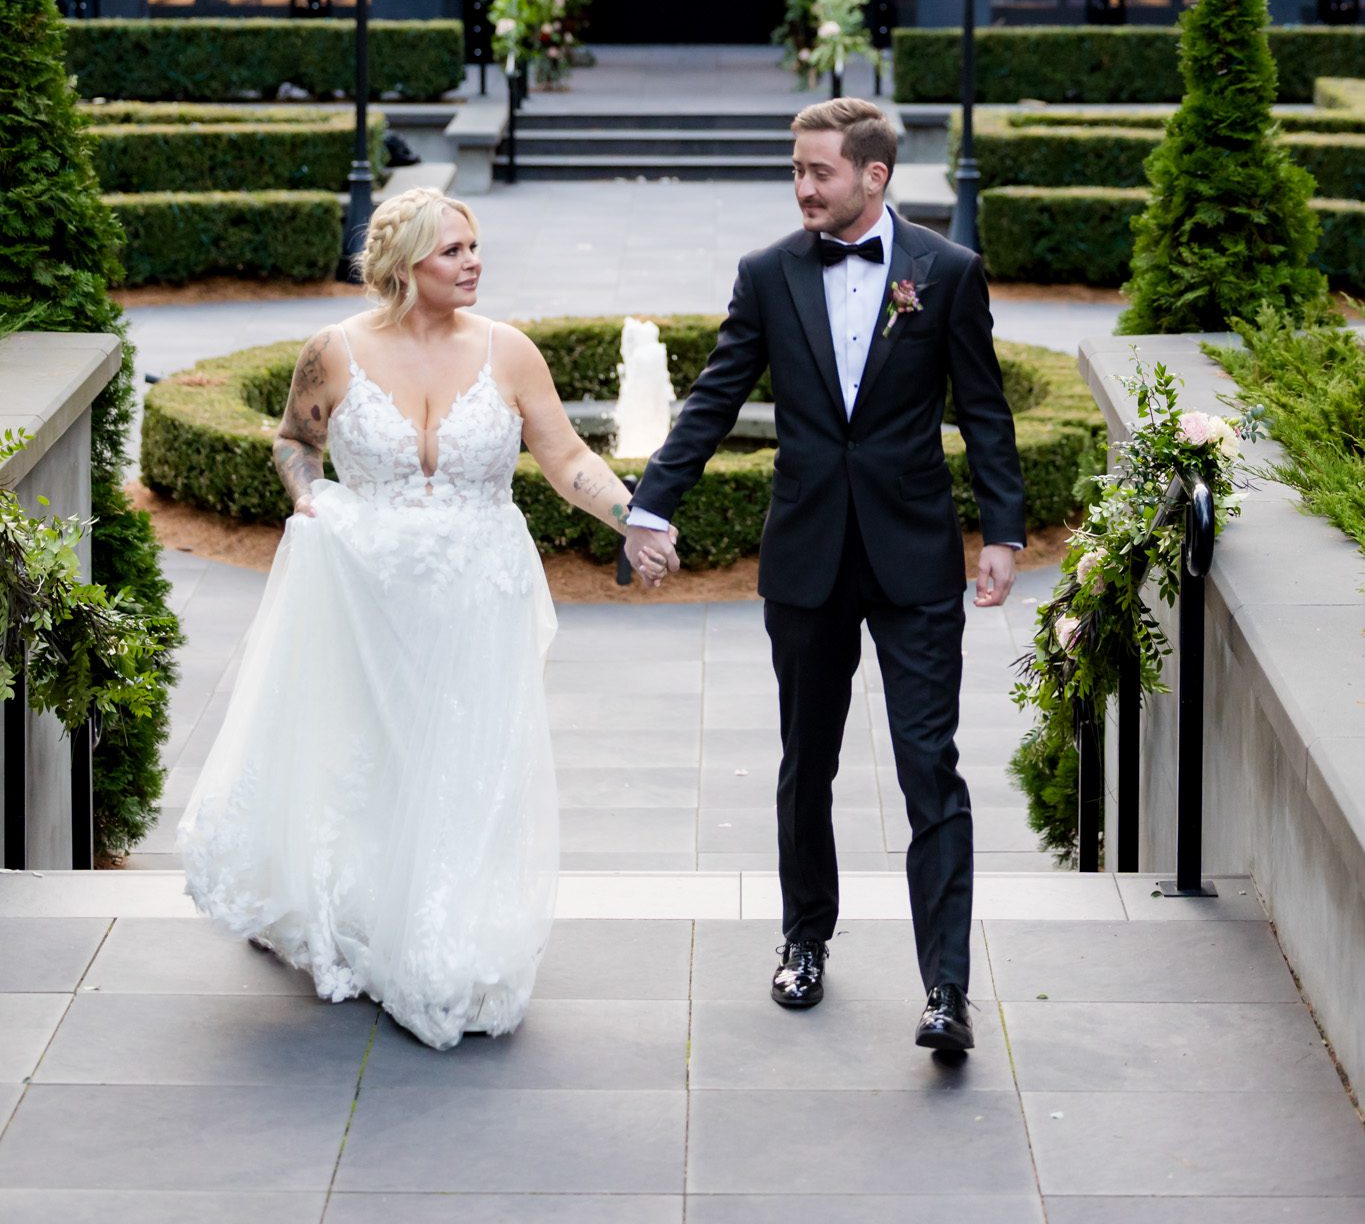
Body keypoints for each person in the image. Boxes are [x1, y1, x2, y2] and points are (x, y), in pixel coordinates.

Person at [177, 186, 677, 1049]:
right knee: (373, 753)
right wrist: (305, 502)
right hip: (365, 590)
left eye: (474, 247)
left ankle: (447, 929)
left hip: (478, 593)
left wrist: (632, 518)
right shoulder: (332, 352)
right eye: (452, 251)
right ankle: (363, 907)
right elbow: (296, 442)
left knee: (465, 760)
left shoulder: (510, 352)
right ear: (405, 264)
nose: (473, 262)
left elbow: (563, 457)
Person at [624, 100, 1026, 1055]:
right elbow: (713, 398)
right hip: (805, 559)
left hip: (914, 560)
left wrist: (1000, 531)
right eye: (796, 171)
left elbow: (985, 409)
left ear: (873, 177)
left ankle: (945, 991)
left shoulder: (946, 272)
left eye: (820, 172)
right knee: (808, 764)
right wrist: (652, 503)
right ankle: (803, 940)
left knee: (931, 769)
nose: (803, 187)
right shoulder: (768, 275)